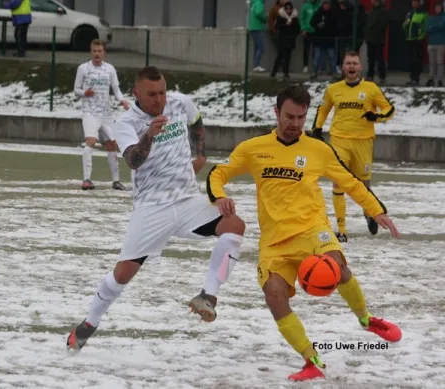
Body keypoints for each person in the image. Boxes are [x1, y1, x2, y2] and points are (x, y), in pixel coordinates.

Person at [207, 84, 402, 381]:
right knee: (273, 295)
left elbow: (350, 182)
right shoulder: (253, 148)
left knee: (336, 267)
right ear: (276, 113)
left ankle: (367, 319)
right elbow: (218, 173)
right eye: (289, 116)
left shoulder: (318, 149)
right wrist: (218, 195)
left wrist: (376, 210)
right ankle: (312, 361)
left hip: (312, 229)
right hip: (274, 242)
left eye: (301, 117)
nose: (295, 123)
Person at [66, 66, 246, 352]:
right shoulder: (126, 122)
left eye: (162, 92)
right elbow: (134, 161)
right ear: (136, 93)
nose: (159, 99)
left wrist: (200, 153)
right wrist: (148, 135)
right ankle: (89, 323)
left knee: (234, 225)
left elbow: (196, 120)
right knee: (123, 274)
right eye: (151, 94)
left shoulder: (179, 102)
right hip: (151, 208)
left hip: (188, 200)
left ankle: (208, 297)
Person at [311, 51, 395, 242]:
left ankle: (369, 213)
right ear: (343, 66)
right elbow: (323, 109)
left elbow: (389, 109)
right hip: (339, 140)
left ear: (360, 67)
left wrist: (377, 117)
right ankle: (341, 230)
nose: (351, 66)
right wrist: (317, 128)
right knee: (338, 181)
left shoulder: (371, 88)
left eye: (354, 63)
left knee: (364, 185)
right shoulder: (333, 89)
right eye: (348, 63)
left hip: (363, 141)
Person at [74, 39, 131, 191]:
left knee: (112, 144)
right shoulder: (83, 68)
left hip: (106, 113)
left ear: (104, 52)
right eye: (94, 51)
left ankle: (116, 181)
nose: (97, 54)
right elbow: (76, 90)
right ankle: (86, 179)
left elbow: (116, 89)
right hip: (90, 112)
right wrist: (85, 93)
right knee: (91, 142)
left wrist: (122, 101)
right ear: (90, 52)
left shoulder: (110, 69)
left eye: (99, 51)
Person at [271, 1, 301, 80]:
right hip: (282, 39)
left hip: (290, 40)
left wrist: (293, 36)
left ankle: (285, 72)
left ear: (291, 9)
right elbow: (277, 26)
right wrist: (285, 25)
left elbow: (298, 28)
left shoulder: (294, 18)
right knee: (279, 56)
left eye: (289, 8)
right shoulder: (281, 16)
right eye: (286, 8)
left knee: (288, 57)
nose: (288, 10)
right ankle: (274, 72)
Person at [403, 0, 429, 86]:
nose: (413, 4)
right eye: (412, 2)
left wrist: (421, 36)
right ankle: (412, 78)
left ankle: (416, 79)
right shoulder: (410, 13)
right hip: (409, 39)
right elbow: (404, 26)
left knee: (417, 60)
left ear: (418, 3)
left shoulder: (423, 13)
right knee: (411, 60)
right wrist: (405, 25)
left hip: (417, 40)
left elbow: (425, 26)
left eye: (415, 2)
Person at [365, 0, 389, 84]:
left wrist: (374, 30)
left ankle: (382, 75)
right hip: (370, 38)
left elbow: (383, 24)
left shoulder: (383, 11)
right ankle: (370, 75)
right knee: (370, 58)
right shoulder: (372, 10)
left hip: (378, 38)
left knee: (379, 58)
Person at [426, 2, 445, 87]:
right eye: (437, 8)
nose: (438, 9)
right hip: (431, 42)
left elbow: (441, 26)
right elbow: (427, 28)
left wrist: (433, 27)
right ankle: (431, 78)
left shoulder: (443, 18)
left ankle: (440, 79)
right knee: (431, 62)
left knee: (439, 62)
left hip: (440, 43)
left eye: (439, 8)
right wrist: (434, 27)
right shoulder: (431, 17)